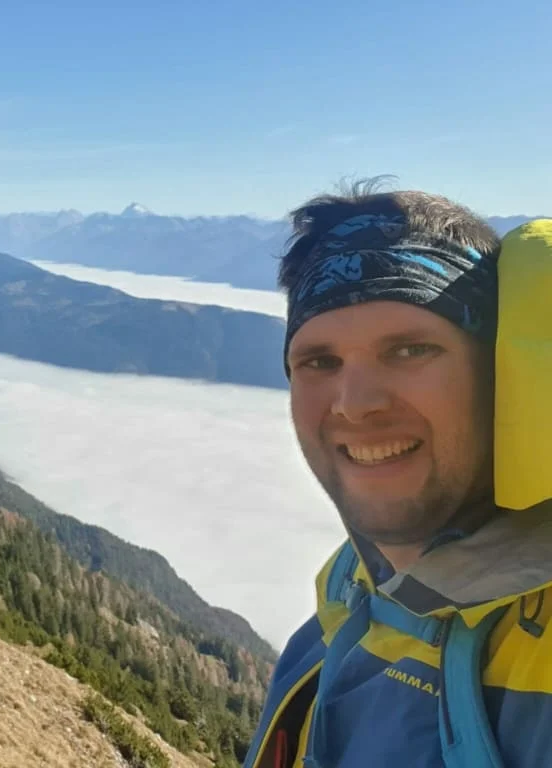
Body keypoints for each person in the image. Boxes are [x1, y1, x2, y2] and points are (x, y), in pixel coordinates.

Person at [243, 178, 552, 768]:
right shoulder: (349, 590)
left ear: (500, 373)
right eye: (319, 361)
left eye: (410, 350)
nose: (354, 404)